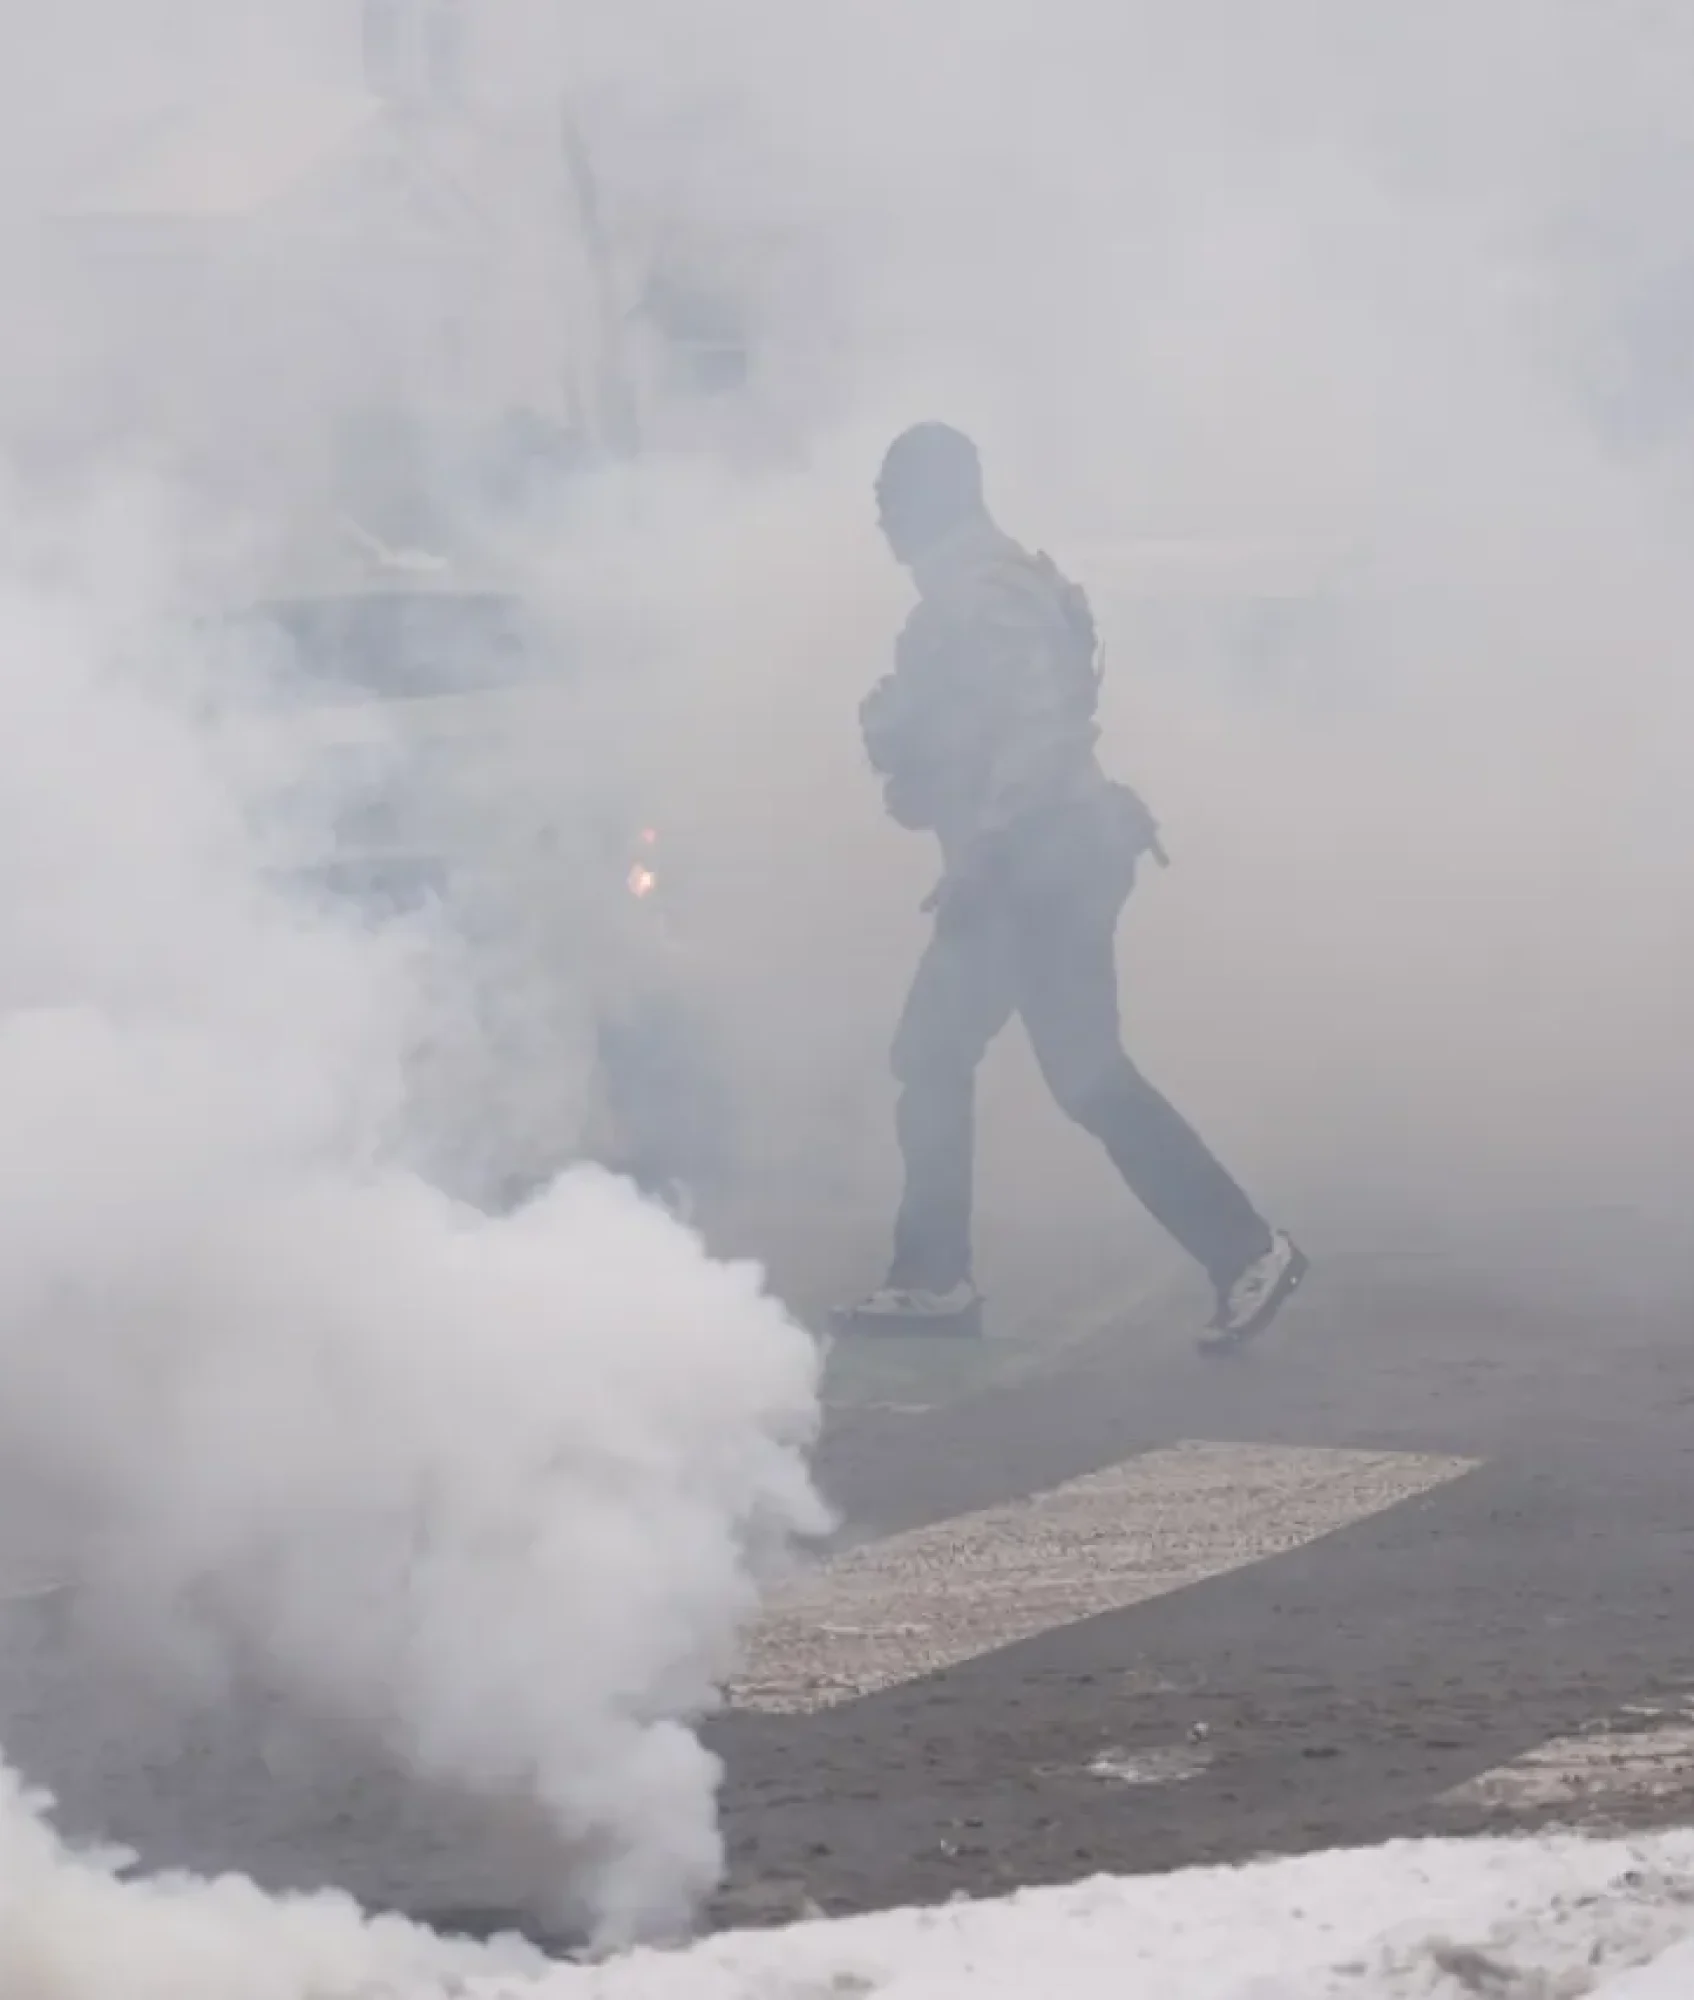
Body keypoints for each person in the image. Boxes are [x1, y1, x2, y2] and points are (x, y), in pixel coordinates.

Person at [841, 422, 1306, 1350]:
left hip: (1035, 870)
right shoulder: (986, 587)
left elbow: (1037, 726)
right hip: (1052, 863)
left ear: (939, 495)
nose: (882, 520)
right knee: (1083, 1077)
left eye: (892, 498)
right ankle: (1244, 1250)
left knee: (935, 1056)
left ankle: (936, 1279)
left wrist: (989, 850)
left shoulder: (982, 595)